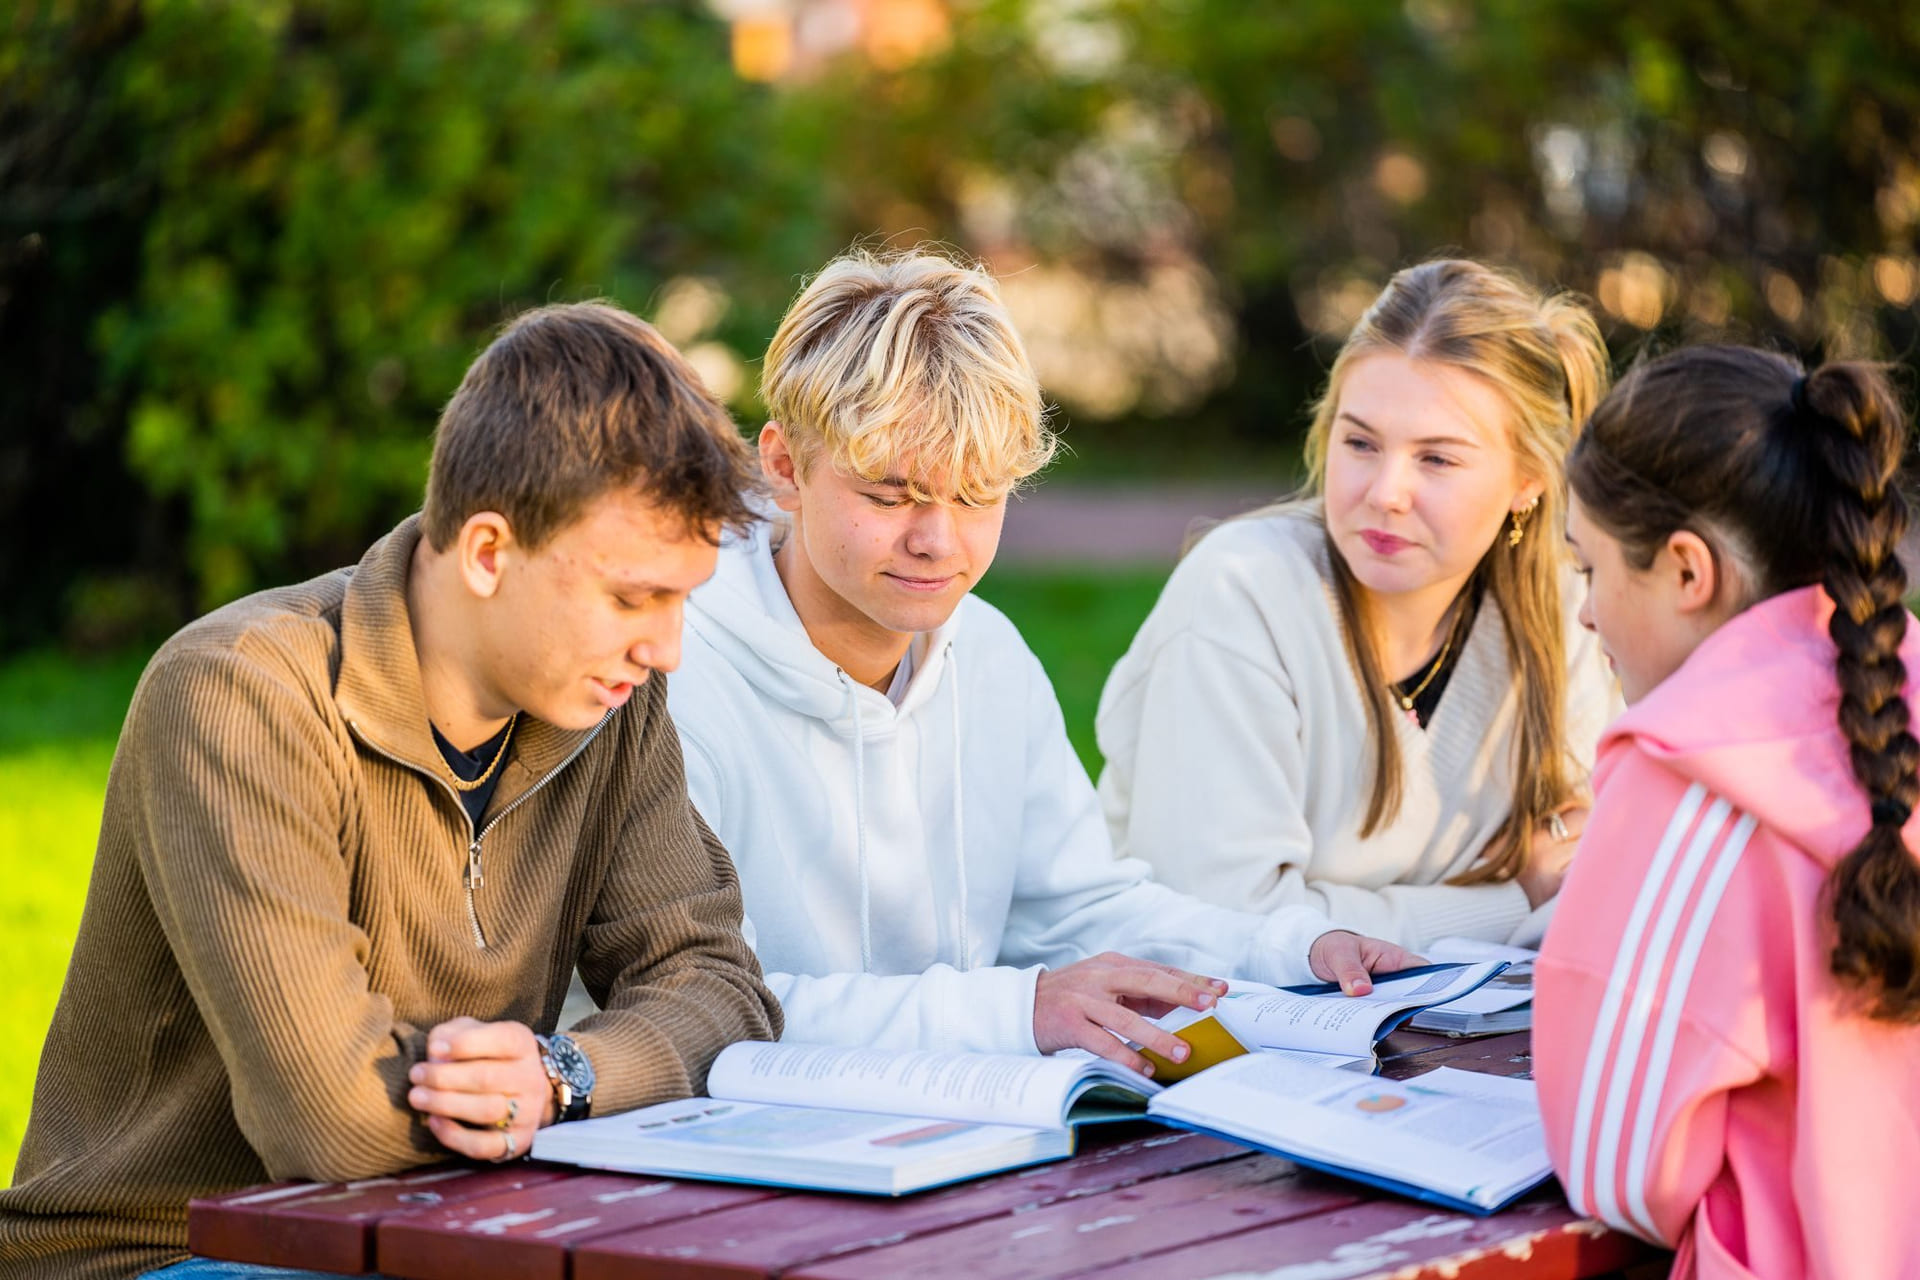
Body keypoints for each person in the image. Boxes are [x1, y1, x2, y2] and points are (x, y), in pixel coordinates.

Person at [0, 303, 782, 1280]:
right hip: (168, 1248)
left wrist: (559, 1074)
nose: (665, 646)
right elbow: (328, 1123)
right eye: (632, 597)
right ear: (489, 550)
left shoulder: (612, 704)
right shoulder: (242, 692)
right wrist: (525, 1097)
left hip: (456, 1226)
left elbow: (720, 990)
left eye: (683, 599)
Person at [665, 248, 1417, 1075]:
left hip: (962, 1139)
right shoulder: (676, 672)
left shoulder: (988, 656)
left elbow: (1082, 910)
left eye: (977, 495)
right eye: (889, 495)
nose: (936, 542)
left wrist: (1297, 950)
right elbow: (706, 1002)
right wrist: (1016, 1010)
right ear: (784, 467)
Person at [1095, 259, 1619, 950]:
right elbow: (1218, 924)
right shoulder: (1241, 597)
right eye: (1361, 442)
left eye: (1437, 459)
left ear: (1528, 480)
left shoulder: (1565, 611)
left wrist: (1327, 908)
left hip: (1456, 1037)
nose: (1385, 491)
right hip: (1212, 1037)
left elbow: (1597, 881)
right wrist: (1508, 899)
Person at [1536, 347, 1920, 1277]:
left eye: (1588, 571)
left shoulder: (1685, 772)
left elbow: (1618, 1161)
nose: (1583, 616)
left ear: (1685, 571)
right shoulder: (1895, 700)